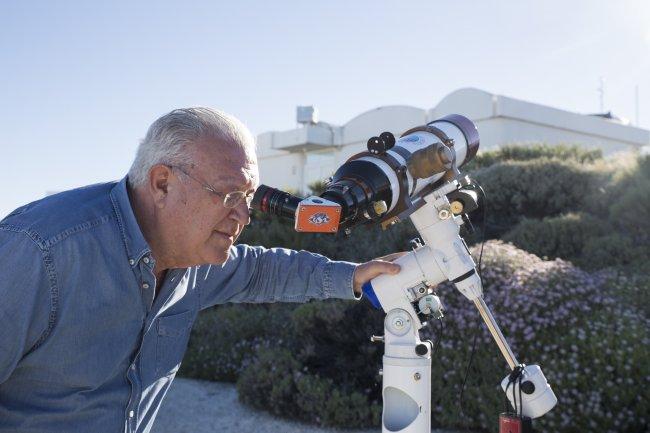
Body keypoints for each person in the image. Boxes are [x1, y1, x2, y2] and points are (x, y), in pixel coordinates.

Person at [0, 107, 400, 433]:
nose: (242, 215)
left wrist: (353, 275)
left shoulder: (190, 259)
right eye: (228, 195)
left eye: (247, 197)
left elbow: (263, 270)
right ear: (162, 184)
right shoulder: (39, 253)